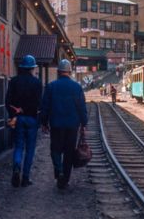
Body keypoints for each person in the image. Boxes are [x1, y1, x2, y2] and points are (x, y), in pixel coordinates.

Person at [39, 59, 88, 189]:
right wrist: (84, 123)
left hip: (56, 125)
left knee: (55, 149)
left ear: (59, 72)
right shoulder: (77, 87)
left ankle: (59, 171)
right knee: (69, 152)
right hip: (72, 126)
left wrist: (44, 122)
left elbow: (45, 107)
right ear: (70, 72)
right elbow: (81, 107)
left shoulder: (51, 86)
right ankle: (65, 179)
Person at [5, 55, 42, 187]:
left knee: (19, 146)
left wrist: (13, 114)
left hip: (18, 119)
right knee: (30, 149)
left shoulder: (14, 81)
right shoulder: (37, 83)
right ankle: (25, 178)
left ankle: (16, 167)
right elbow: (39, 103)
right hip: (31, 119)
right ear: (32, 68)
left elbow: (7, 101)